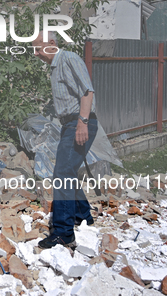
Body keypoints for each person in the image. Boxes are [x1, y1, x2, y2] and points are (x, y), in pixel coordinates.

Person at [32, 33, 98, 249]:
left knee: (61, 174)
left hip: (79, 122)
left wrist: (82, 122)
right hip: (70, 124)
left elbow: (87, 91)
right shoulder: (55, 67)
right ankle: (83, 215)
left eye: (39, 48)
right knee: (67, 171)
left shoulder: (68, 59)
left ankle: (63, 232)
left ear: (52, 44)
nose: (37, 53)